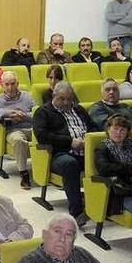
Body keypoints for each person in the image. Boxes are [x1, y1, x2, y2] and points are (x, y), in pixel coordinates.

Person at [33, 81, 98, 225]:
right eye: (62, 99)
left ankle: (103, 206)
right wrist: (70, 141)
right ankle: (77, 211)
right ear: (54, 96)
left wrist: (89, 139)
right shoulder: (43, 112)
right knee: (70, 164)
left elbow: (93, 127)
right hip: (59, 153)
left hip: (86, 151)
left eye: (69, 99)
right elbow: (42, 136)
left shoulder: (79, 110)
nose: (67, 102)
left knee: (105, 160)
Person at [94, 114, 132, 259]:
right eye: (115, 129)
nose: (119, 133)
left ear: (128, 132)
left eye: (123, 130)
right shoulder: (102, 147)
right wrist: (131, 168)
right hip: (122, 192)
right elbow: (104, 169)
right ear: (108, 129)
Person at [0, 71, 36, 188]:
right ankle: (24, 174)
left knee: (47, 134)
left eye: (13, 84)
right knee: (18, 140)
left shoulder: (26, 96)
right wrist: (6, 113)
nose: (10, 87)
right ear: (2, 86)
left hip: (30, 127)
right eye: (6, 84)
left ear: (17, 84)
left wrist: (24, 115)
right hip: (13, 131)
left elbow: (38, 114)